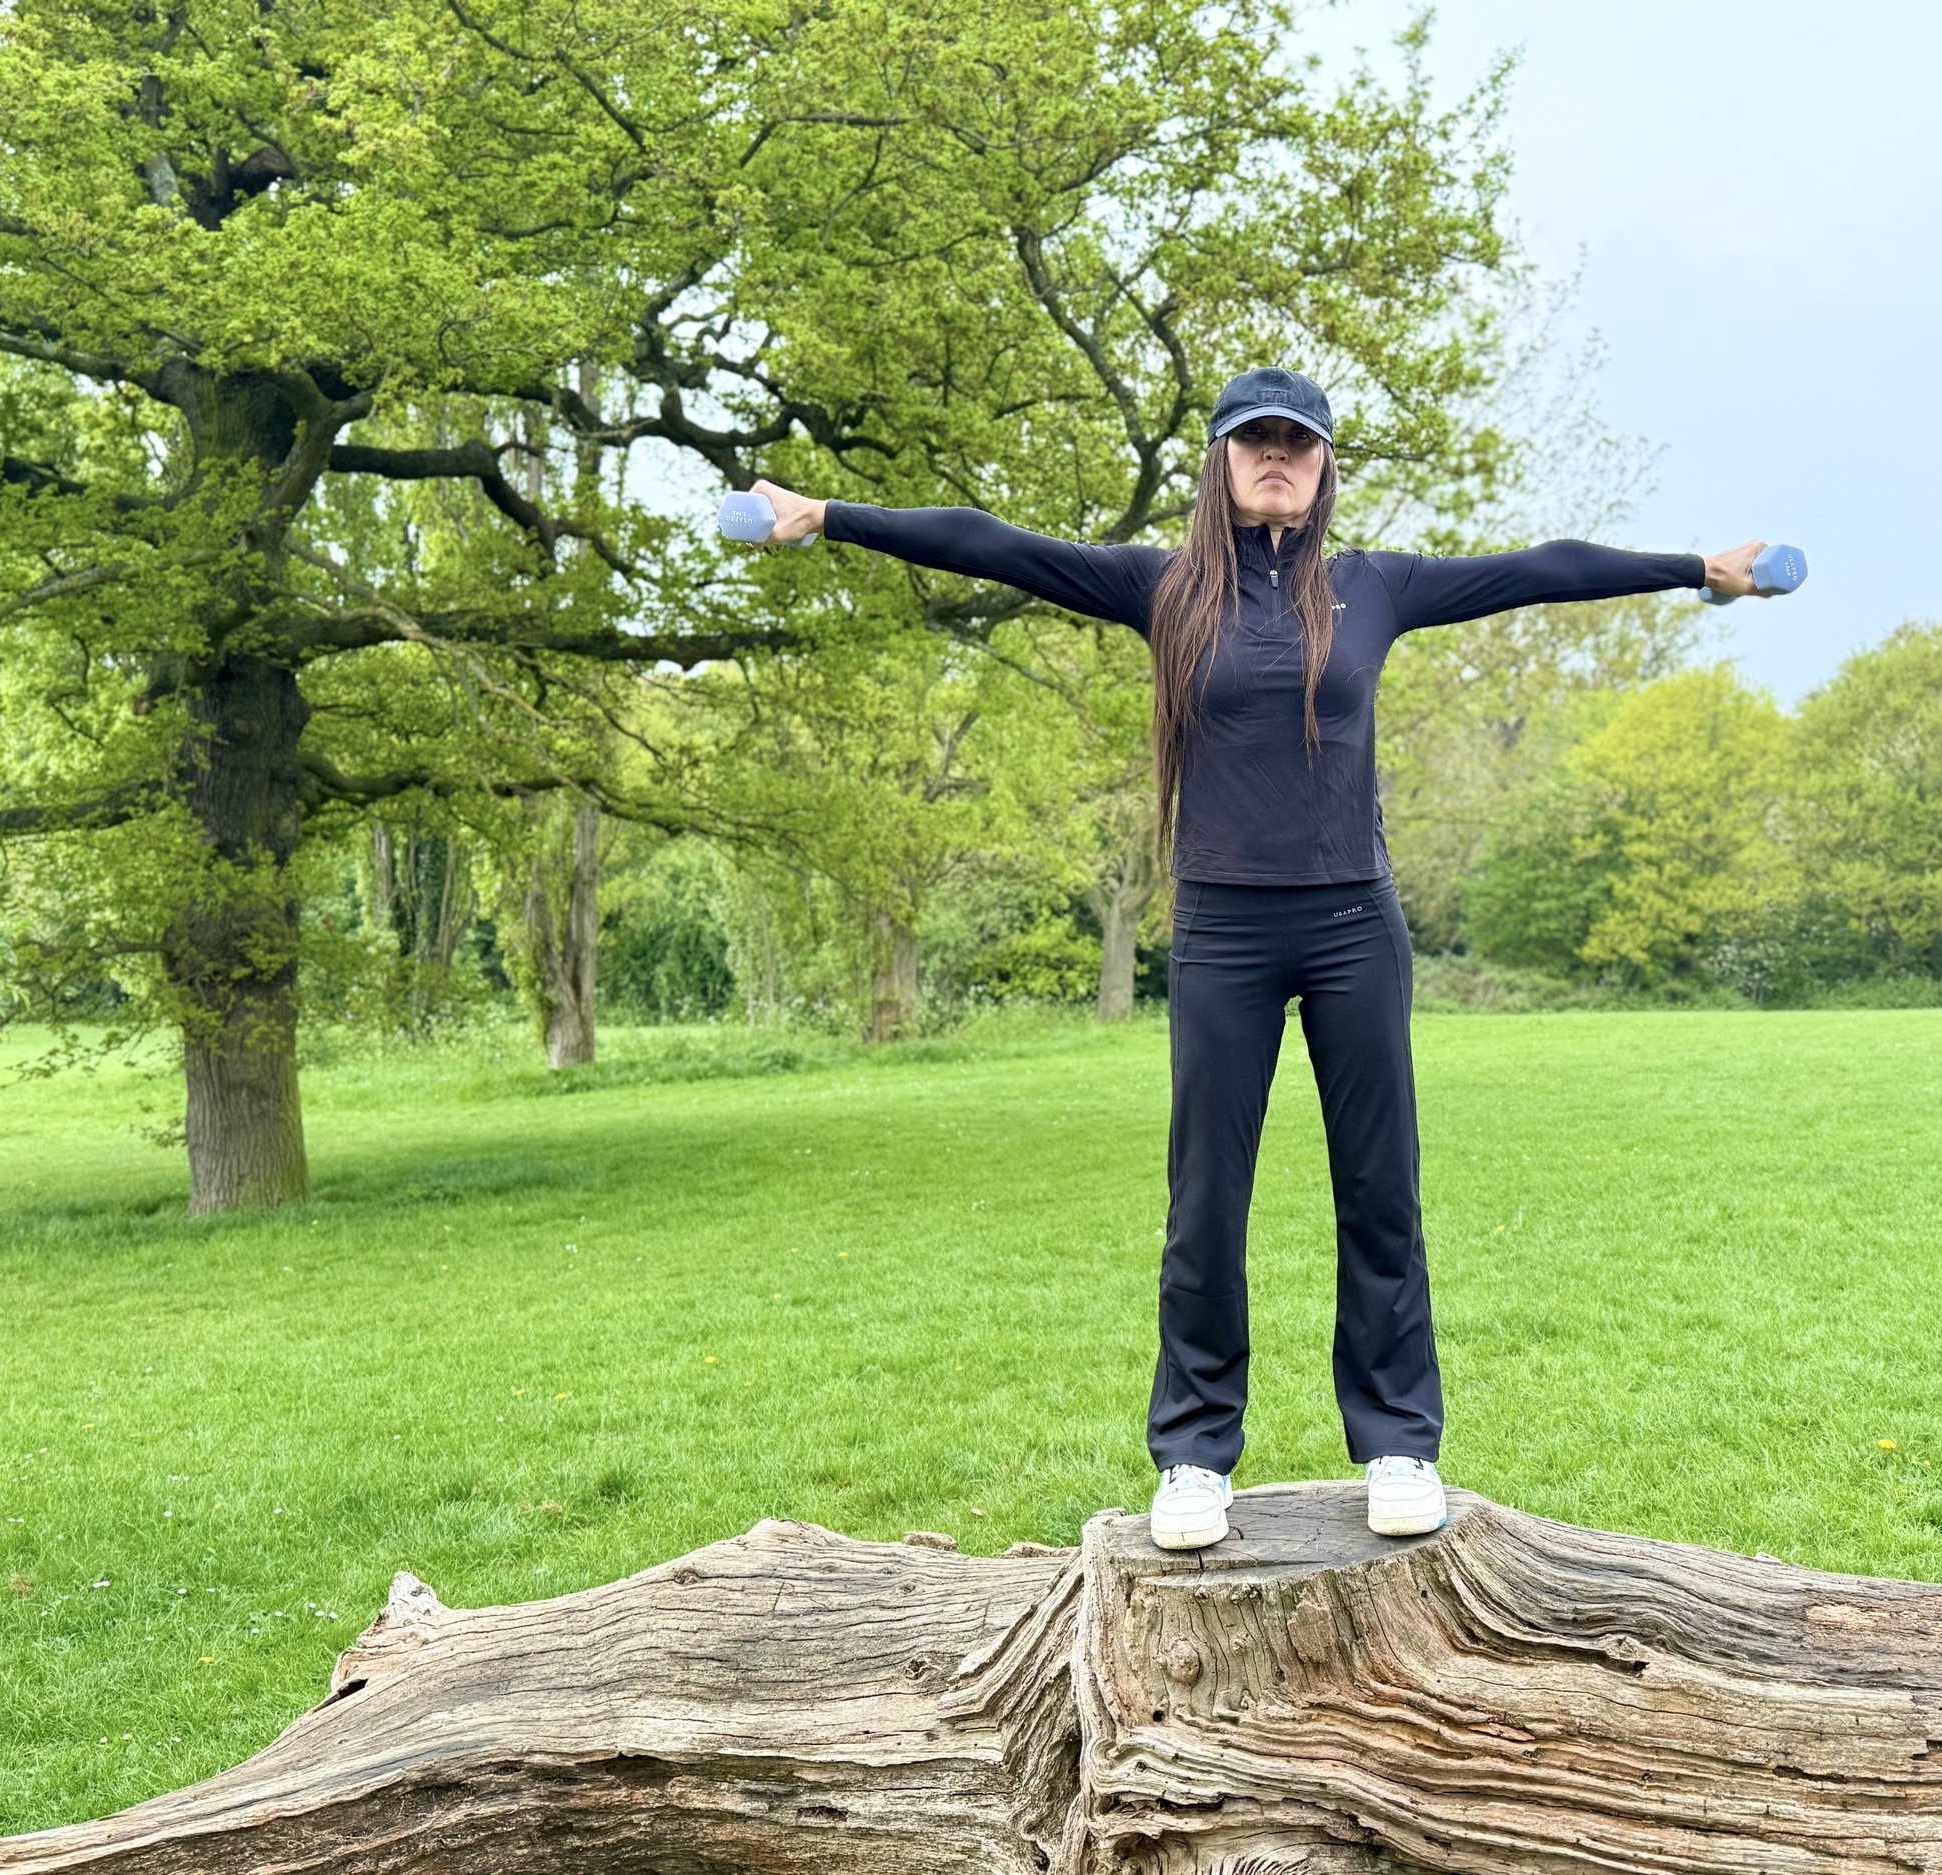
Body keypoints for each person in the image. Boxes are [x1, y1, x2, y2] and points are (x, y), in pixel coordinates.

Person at [740, 365, 1778, 1550]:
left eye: (1297, 442)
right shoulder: (1163, 589)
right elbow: (992, 544)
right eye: (1253, 442)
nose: (1275, 457)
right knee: (1205, 1201)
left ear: (1325, 464)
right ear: (1221, 463)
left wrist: (1700, 569)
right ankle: (1193, 1456)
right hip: (1225, 931)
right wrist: (825, 516)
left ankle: (1398, 1442)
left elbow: (1544, 570)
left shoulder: (1371, 590)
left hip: (1352, 928)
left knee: (1381, 1191)